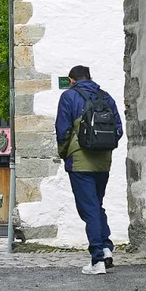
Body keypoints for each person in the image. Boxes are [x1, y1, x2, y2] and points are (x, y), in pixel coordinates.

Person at [55, 64, 122, 275]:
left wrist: (66, 152)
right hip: (104, 161)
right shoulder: (106, 97)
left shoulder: (69, 97)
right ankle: (105, 247)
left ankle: (97, 260)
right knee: (97, 205)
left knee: (89, 209)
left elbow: (62, 130)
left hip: (80, 161)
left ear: (72, 80)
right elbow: (118, 129)